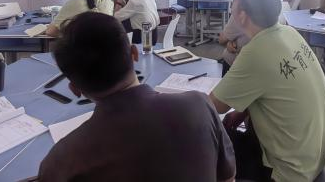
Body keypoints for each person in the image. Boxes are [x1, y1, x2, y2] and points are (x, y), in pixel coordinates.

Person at [38, 12, 235, 182]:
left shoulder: (61, 162)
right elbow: (227, 177)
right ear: (134, 54)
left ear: (75, 89)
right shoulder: (199, 106)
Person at [210, 0, 325, 181]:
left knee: (202, 147)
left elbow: (214, 105)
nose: (232, 0)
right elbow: (278, 88)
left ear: (242, 15)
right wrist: (242, 112)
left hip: (288, 171)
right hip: (312, 159)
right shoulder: (289, 33)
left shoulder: (256, 51)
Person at [218, 0, 266, 76]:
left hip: (236, 65)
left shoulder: (242, 12)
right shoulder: (270, 10)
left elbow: (222, 40)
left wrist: (229, 42)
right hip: (259, 67)